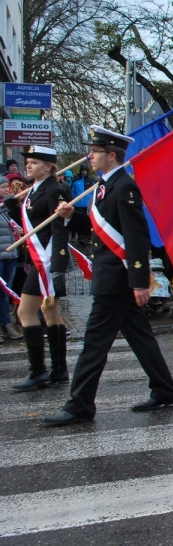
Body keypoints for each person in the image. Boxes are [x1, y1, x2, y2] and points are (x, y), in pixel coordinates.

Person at [43, 127, 173, 426]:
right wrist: (71, 217)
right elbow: (99, 229)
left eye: (95, 151)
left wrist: (140, 281)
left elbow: (135, 236)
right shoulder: (103, 186)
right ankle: (165, 390)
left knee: (94, 342)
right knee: (140, 337)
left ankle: (80, 405)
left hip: (117, 278)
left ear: (112, 155)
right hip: (112, 274)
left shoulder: (124, 187)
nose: (90, 155)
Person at [10, 146, 70, 392]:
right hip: (39, 261)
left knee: (26, 313)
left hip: (44, 262)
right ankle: (58, 371)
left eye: (34, 162)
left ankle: (38, 372)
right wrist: (11, 204)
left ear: (49, 167)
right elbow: (28, 218)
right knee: (51, 315)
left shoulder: (53, 191)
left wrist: (58, 267)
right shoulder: (34, 191)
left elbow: (59, 232)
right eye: (28, 162)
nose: (28, 165)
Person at [0, 177, 24, 341]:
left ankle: (6, 323)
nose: (6, 189)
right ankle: (4, 324)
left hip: (11, 253)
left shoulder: (7, 208)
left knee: (7, 291)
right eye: (2, 187)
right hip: (1, 254)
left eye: (6, 187)